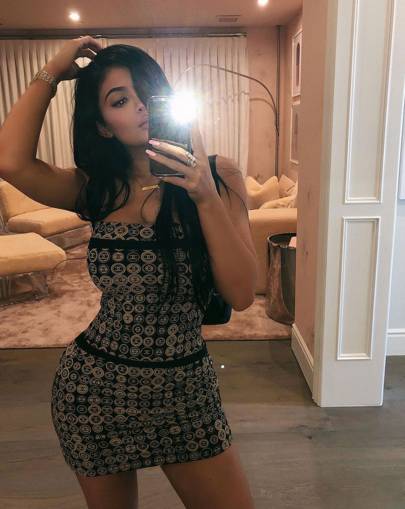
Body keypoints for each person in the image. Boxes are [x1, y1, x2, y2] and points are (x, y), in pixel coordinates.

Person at [0, 35, 258, 509]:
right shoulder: (97, 190)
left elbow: (241, 294)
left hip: (186, 391)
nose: (140, 106)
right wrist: (51, 72)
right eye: (120, 100)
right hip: (95, 391)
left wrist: (204, 194)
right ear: (103, 126)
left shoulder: (220, 175)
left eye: (148, 93)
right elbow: (10, 161)